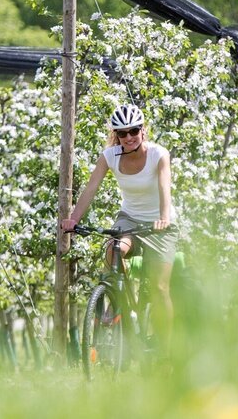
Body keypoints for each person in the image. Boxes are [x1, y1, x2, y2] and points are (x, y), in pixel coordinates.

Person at [60, 104, 179, 357]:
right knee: (113, 250)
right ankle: (123, 302)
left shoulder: (159, 154)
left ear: (143, 131)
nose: (128, 137)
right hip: (129, 219)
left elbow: (164, 187)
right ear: (116, 135)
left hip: (160, 224)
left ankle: (167, 353)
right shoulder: (109, 156)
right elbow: (91, 188)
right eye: (122, 133)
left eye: (133, 131)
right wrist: (72, 220)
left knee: (159, 288)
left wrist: (164, 217)